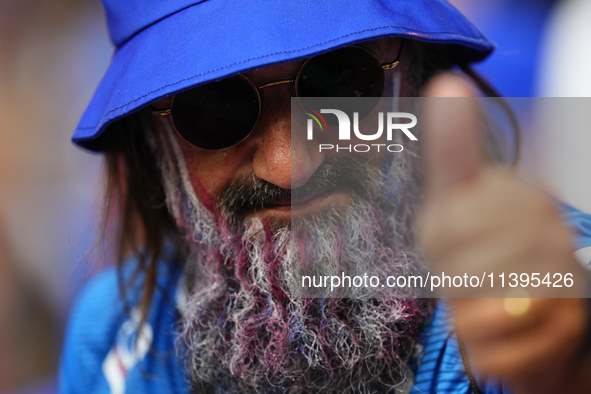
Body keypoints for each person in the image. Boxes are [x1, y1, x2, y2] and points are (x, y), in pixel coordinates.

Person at [59, 1, 591, 393]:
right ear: (155, 147)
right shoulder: (115, 336)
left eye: (340, 81)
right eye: (214, 106)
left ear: (415, 78)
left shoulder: (538, 282)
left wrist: (566, 367)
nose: (290, 167)